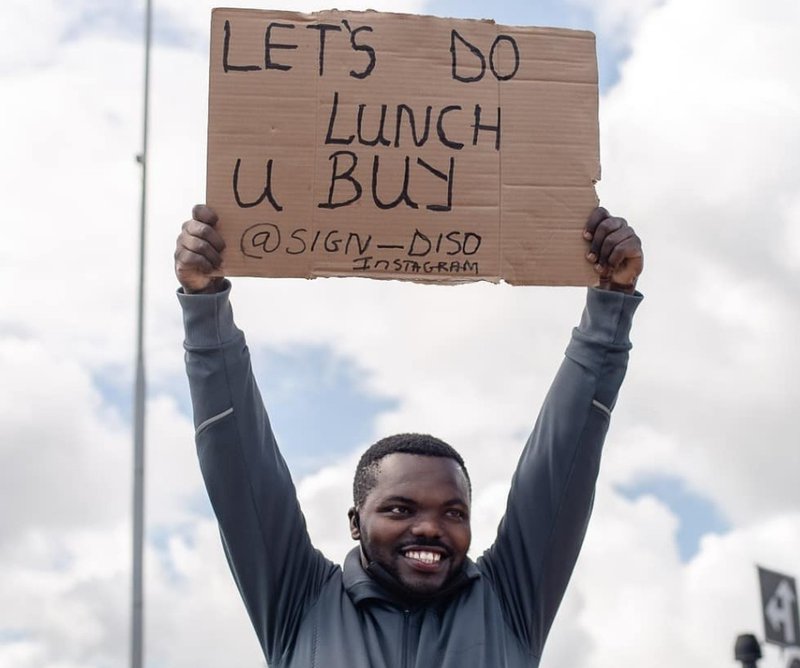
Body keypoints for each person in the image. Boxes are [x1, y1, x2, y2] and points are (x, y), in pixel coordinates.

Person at [175, 205, 643, 667]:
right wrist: (205, 304)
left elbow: (565, 457)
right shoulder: (299, 600)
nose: (429, 528)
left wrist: (611, 303)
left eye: (453, 512)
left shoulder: (509, 602)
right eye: (401, 509)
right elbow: (239, 464)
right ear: (356, 522)